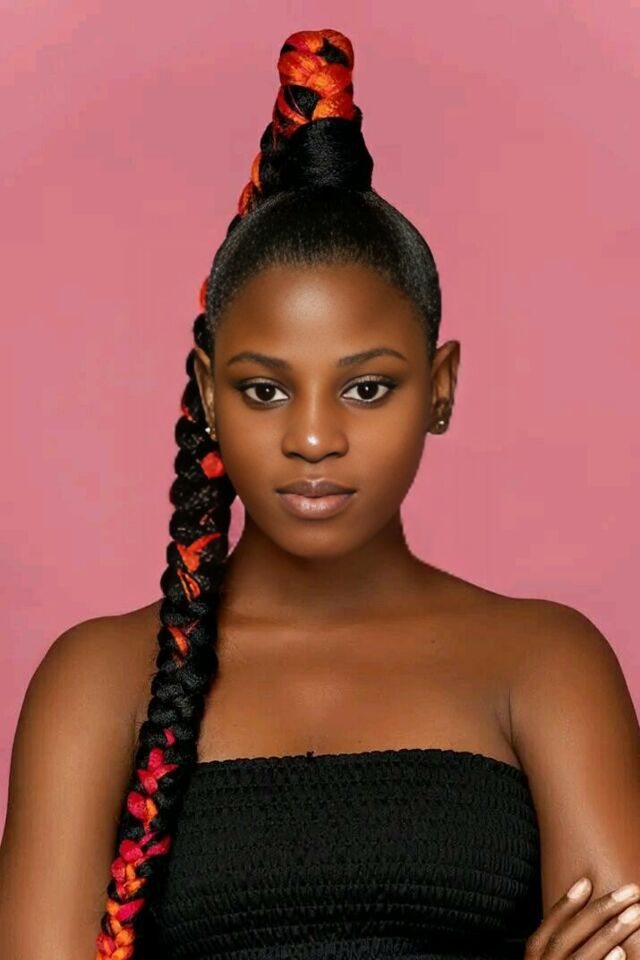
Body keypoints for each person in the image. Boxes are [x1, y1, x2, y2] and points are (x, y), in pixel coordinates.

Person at [1, 26, 639, 960]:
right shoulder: (95, 685)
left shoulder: (548, 664)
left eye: (367, 388)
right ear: (207, 392)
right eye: (265, 390)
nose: (312, 437)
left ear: (441, 388)